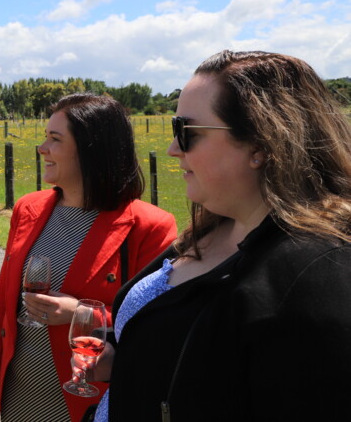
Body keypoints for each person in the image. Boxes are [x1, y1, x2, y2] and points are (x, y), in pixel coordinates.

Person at [90, 50, 351, 421]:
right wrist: (127, 358)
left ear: (260, 145)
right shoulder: (214, 227)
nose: (172, 149)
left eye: (188, 132)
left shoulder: (315, 277)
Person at [0, 93, 177, 422]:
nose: (42, 147)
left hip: (89, 401)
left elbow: (155, 327)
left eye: (55, 139)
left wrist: (82, 314)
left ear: (91, 149)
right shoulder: (28, 208)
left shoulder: (150, 227)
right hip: (18, 393)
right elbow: (4, 299)